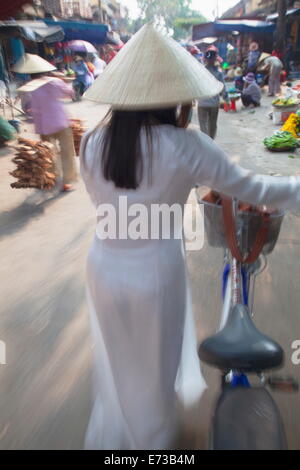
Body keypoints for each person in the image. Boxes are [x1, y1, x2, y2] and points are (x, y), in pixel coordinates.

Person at [79, 23, 300, 450]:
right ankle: (151, 449)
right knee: (154, 376)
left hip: (104, 268)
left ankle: (122, 442)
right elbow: (256, 190)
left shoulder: (91, 141)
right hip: (154, 275)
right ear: (176, 94)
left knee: (120, 363)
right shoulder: (186, 146)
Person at [13, 53, 77, 192]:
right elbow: (70, 93)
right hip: (61, 121)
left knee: (48, 153)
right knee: (66, 152)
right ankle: (67, 182)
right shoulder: (55, 82)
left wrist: (33, 111)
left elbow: (27, 109)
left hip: (43, 125)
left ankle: (52, 178)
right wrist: (62, 80)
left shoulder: (28, 87)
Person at [197, 50, 228, 139]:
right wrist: (227, 100)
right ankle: (211, 142)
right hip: (214, 103)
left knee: (203, 126)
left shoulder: (200, 71)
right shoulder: (218, 73)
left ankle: (206, 144)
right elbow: (223, 87)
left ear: (205, 59)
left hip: (202, 102)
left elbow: (196, 85)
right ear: (215, 59)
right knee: (212, 125)